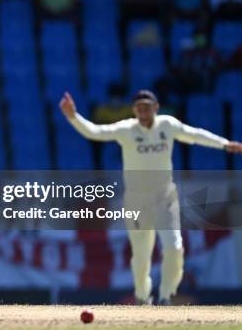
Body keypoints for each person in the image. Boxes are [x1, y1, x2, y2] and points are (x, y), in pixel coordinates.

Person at [59, 90, 242, 305]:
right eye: (139, 108)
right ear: (134, 110)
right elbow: (95, 132)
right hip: (137, 202)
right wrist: (73, 116)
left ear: (156, 107)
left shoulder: (168, 125)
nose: (143, 111)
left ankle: (166, 295)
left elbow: (194, 135)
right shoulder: (126, 129)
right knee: (141, 254)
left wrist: (223, 143)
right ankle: (142, 296)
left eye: (147, 106)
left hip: (165, 198)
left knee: (174, 248)